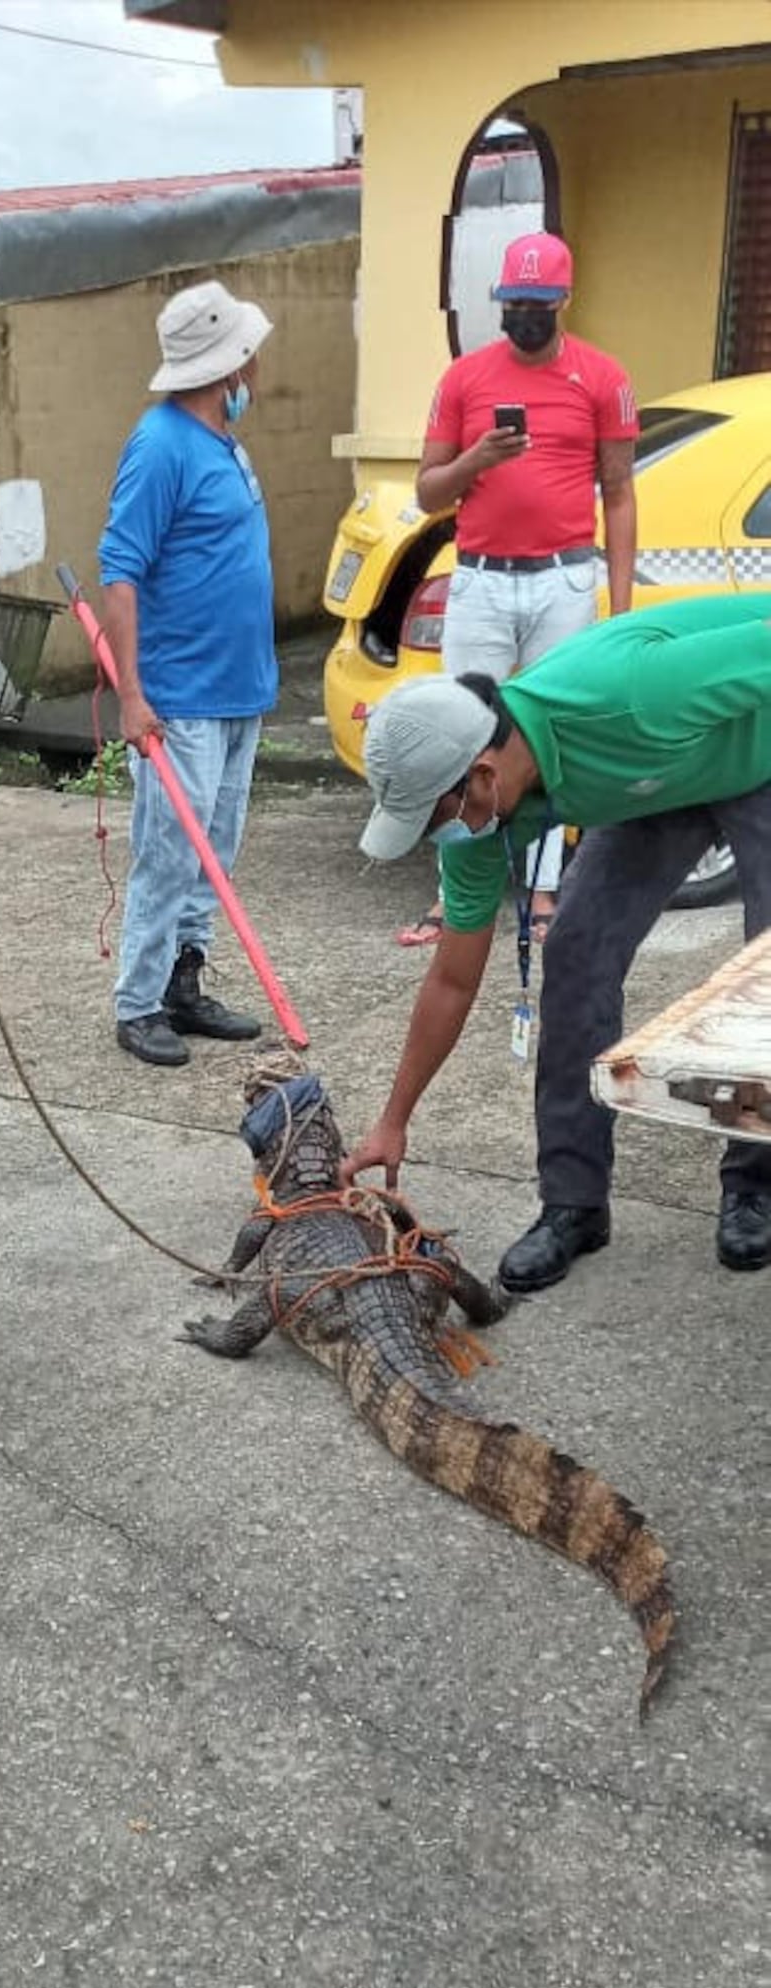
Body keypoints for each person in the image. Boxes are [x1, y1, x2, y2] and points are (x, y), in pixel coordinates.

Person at [341, 593, 771, 1281]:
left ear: (481, 776)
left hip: (759, 753)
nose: (438, 837)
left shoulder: (633, 693)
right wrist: (393, 1118)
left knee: (764, 975)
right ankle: (574, 1204)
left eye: (433, 819)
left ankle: (756, 1184)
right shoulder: (481, 820)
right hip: (659, 785)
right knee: (575, 952)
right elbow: (452, 979)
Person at [393, 231, 637, 949]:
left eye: (537, 301)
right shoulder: (465, 379)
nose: (523, 312)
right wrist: (477, 457)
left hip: (563, 579)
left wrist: (619, 609)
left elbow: (619, 494)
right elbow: (429, 490)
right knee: (459, 732)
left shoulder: (602, 377)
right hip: (483, 581)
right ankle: (453, 897)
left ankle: (542, 890)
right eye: (512, 301)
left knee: (549, 736)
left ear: (563, 299)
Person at [98, 278, 278, 1066]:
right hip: (184, 696)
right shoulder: (163, 444)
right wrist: (133, 696)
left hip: (242, 688)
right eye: (249, 357)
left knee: (216, 851)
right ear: (228, 367)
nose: (256, 370)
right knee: (172, 852)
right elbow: (120, 570)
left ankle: (185, 980)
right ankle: (138, 1002)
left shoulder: (221, 441)